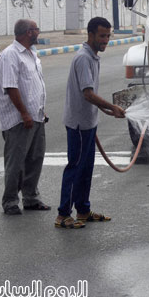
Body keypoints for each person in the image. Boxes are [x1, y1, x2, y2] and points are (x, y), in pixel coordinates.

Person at [55, 17, 126, 229]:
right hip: (78, 124)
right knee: (75, 168)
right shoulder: (83, 59)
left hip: (88, 123)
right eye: (102, 36)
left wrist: (106, 110)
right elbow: (88, 94)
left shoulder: (93, 57)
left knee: (86, 169)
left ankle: (83, 211)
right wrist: (112, 107)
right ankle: (62, 215)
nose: (105, 40)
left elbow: (90, 95)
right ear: (91, 35)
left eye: (108, 36)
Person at [0, 19, 50, 215]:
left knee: (34, 159)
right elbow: (11, 87)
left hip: (36, 116)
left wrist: (39, 111)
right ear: (28, 32)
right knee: (16, 163)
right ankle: (10, 201)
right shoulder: (10, 55)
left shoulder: (31, 54)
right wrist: (24, 113)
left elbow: (33, 85)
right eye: (37, 30)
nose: (38, 33)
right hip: (19, 120)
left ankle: (31, 198)